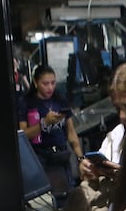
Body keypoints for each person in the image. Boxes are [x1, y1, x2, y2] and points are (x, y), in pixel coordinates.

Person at [18, 64, 83, 193]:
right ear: (36, 83)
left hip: (61, 154)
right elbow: (23, 135)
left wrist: (80, 157)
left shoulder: (59, 100)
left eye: (53, 83)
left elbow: (70, 131)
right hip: (40, 156)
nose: (50, 88)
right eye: (45, 84)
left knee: (68, 193)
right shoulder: (26, 102)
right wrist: (44, 123)